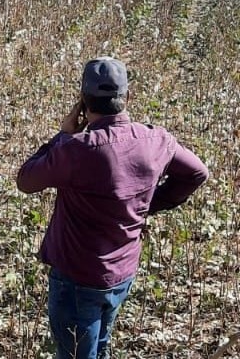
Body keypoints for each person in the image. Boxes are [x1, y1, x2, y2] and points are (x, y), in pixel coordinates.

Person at [16, 57, 209, 359]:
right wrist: (147, 204)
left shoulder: (76, 149)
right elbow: (197, 173)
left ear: (83, 100)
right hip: (122, 274)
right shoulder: (155, 140)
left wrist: (63, 135)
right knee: (101, 347)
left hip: (78, 278)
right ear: (126, 97)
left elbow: (26, 180)